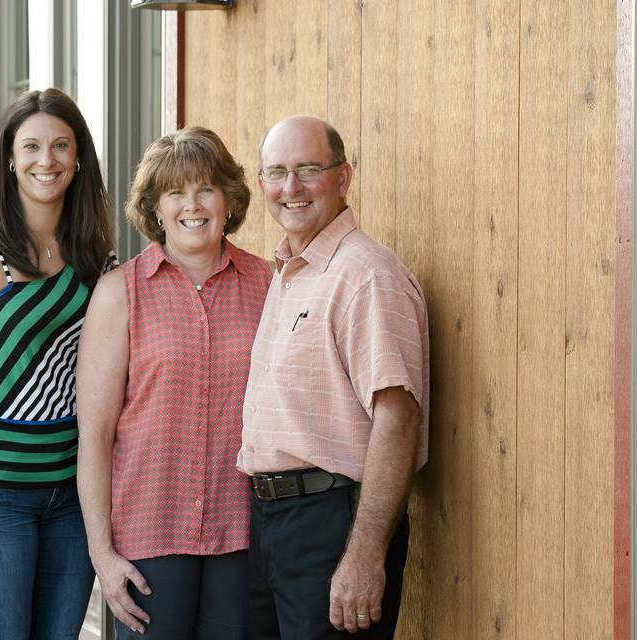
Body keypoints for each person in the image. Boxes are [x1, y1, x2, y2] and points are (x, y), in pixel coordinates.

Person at [0, 87, 116, 640]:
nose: (46, 160)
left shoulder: (95, 254)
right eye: (31, 146)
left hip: (73, 494)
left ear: (78, 156)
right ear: (8, 156)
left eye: (61, 145)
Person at [76, 126, 272, 639]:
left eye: (206, 188)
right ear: (156, 209)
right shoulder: (120, 293)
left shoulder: (269, 286)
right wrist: (102, 553)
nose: (193, 204)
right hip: (147, 534)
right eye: (175, 192)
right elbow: (94, 434)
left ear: (229, 200)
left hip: (242, 533)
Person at [239, 115, 430, 639]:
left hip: (332, 523)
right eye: (276, 173)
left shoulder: (366, 274)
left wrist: (366, 555)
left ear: (343, 178)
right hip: (271, 524)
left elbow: (398, 417)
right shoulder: (289, 273)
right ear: (261, 185)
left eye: (307, 170)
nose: (290, 188)